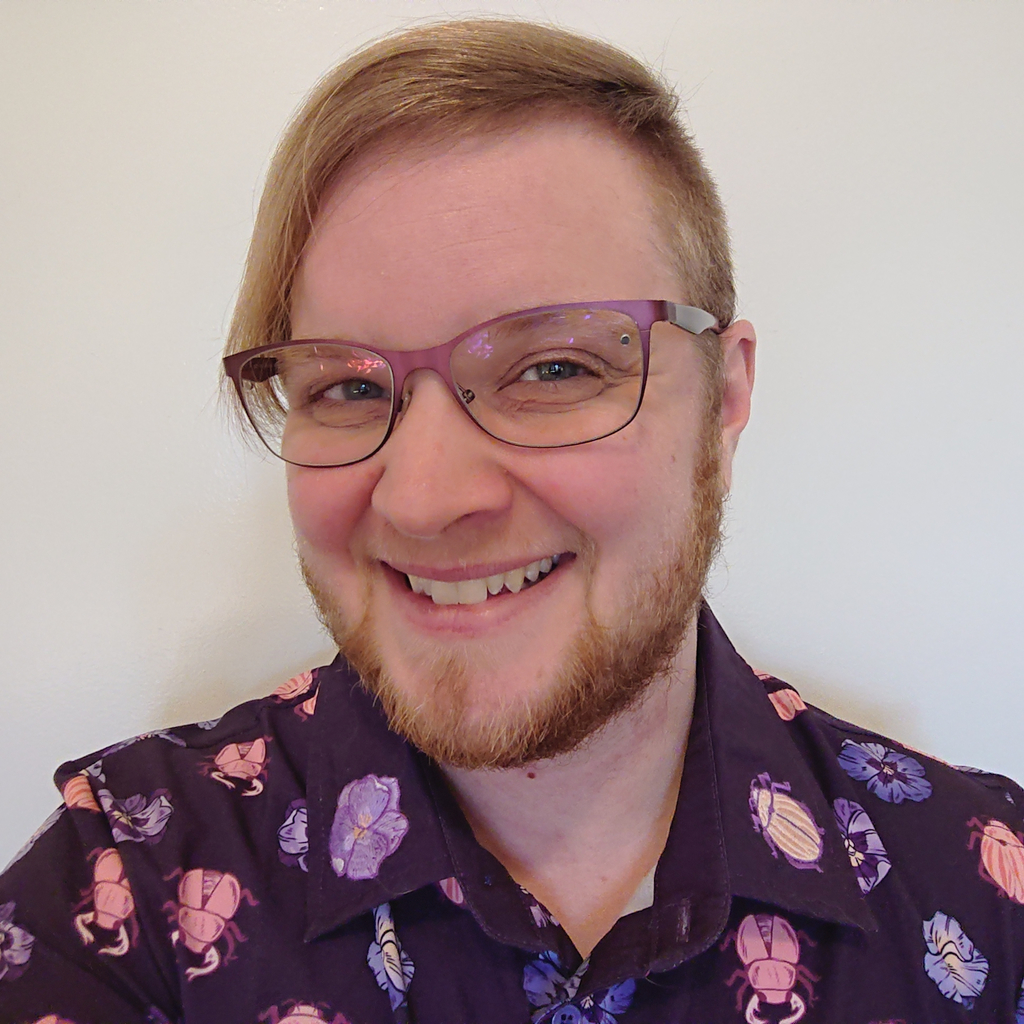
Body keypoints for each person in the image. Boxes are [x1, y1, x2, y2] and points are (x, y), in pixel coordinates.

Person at [1, 18, 1023, 1024]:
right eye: (346, 387)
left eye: (554, 368)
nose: (423, 499)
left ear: (722, 397)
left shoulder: (987, 894)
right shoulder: (127, 886)